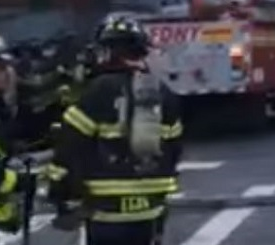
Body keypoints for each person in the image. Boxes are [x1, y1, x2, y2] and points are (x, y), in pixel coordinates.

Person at [44, 15, 184, 245]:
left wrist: (60, 193)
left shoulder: (98, 91)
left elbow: (70, 146)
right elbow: (174, 148)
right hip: (151, 210)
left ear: (108, 51)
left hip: (105, 212)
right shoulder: (162, 93)